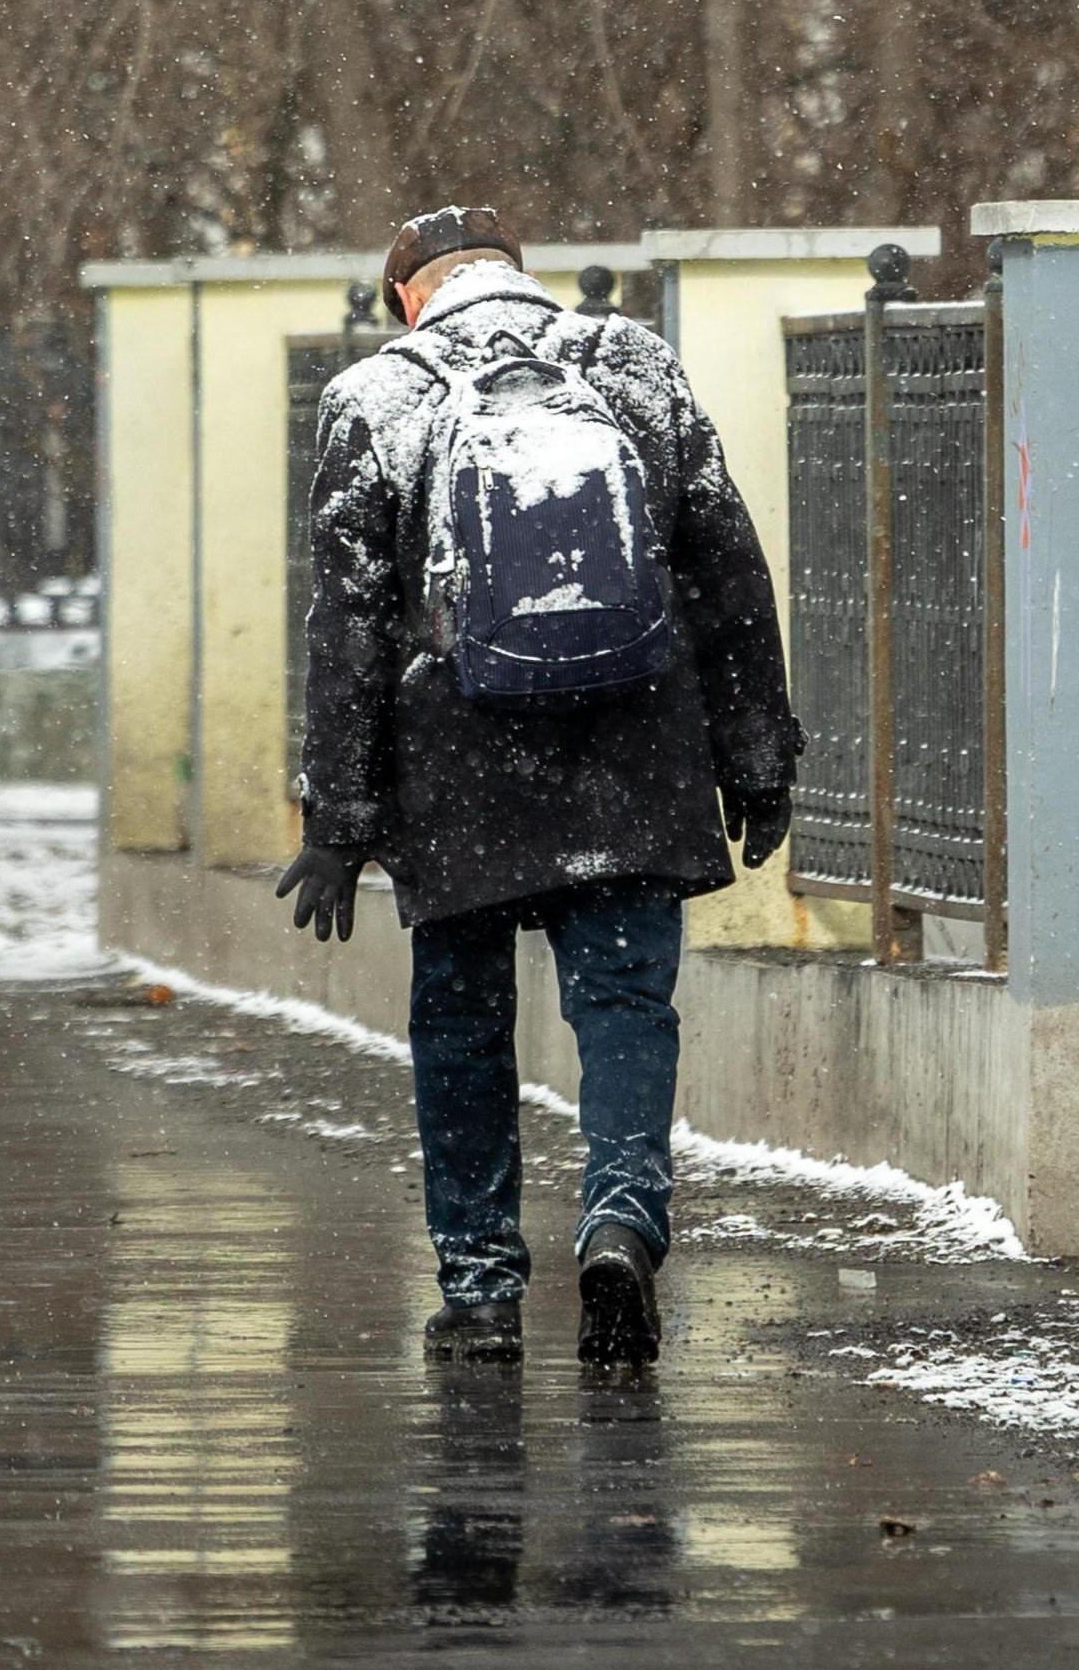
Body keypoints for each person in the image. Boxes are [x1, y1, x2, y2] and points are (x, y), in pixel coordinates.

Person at [279, 205, 799, 1368]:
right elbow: (726, 567)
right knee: (624, 1010)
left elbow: (348, 623)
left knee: (463, 1027)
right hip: (633, 749)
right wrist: (757, 759)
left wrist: (339, 815)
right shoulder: (633, 364)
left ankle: (479, 1290)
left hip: (459, 767)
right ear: (521, 276)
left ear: (406, 295)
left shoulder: (378, 399)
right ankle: (620, 1219)